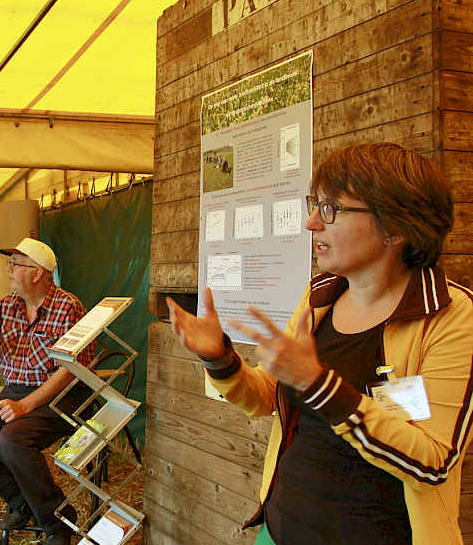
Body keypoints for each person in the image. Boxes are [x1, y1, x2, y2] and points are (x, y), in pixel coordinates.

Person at [166, 143, 473, 545]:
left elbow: (431, 463)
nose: (312, 223)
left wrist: (320, 386)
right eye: (316, 204)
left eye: (332, 209)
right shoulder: (319, 298)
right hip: (279, 526)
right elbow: (267, 397)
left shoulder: (450, 316)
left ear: (396, 227)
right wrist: (221, 359)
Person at [0, 238, 93, 545]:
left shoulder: (68, 307)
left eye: (15, 264)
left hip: (61, 397)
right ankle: (22, 499)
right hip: (14, 391)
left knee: (11, 440)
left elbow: (72, 370)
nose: (9, 270)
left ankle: (57, 524)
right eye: (9, 263)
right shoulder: (6, 305)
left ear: (37, 273)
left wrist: (24, 406)